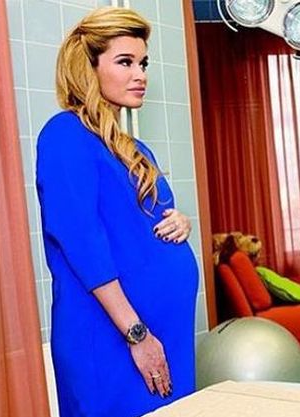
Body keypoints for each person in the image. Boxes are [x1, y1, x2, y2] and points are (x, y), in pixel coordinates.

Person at [35, 7, 199, 417]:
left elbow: (144, 222)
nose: (140, 74)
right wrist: (137, 334)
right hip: (113, 336)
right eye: (125, 62)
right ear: (88, 69)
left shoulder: (135, 149)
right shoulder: (65, 135)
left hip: (165, 334)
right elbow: (81, 241)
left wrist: (181, 222)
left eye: (143, 63)